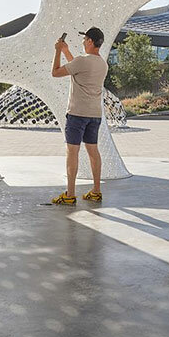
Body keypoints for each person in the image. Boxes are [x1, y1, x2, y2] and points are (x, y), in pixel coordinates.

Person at [49, 27, 108, 205]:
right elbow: (78, 68)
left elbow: (56, 72)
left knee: (72, 152)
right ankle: (96, 191)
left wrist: (58, 51)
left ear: (90, 41)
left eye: (84, 39)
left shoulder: (83, 61)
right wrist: (67, 51)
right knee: (93, 151)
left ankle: (70, 194)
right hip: (94, 115)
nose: (83, 42)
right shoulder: (102, 63)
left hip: (77, 114)